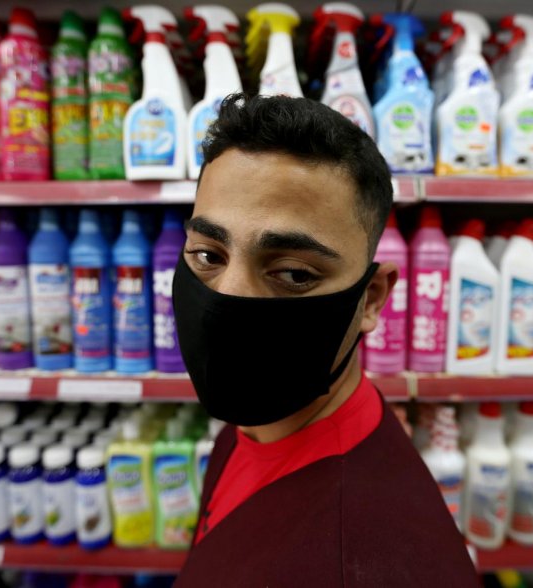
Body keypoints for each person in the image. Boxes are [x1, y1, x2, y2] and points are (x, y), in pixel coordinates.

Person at [171, 93, 477, 587]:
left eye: (292, 272)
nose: (226, 298)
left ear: (371, 299)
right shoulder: (259, 424)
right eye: (208, 255)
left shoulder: (364, 563)